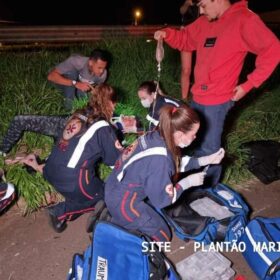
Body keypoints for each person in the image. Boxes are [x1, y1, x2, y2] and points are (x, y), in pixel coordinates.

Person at [154, 0, 280, 186]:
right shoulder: (205, 22)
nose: (200, 10)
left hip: (218, 101)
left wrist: (248, 85)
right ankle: (191, 182)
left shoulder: (244, 19)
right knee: (191, 143)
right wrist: (168, 34)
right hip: (197, 96)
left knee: (210, 150)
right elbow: (186, 39)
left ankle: (208, 189)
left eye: (203, 4)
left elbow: (273, 49)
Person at [105, 104, 225, 241]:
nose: (196, 137)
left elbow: (175, 163)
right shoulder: (161, 161)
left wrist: (207, 160)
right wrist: (187, 182)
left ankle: (117, 221)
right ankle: (121, 232)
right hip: (123, 203)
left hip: (113, 185)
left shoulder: (158, 134)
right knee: (163, 236)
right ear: (179, 134)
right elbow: (162, 200)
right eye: (193, 134)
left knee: (150, 214)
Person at [21, 84, 123, 233]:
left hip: (50, 169)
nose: (114, 107)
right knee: (107, 194)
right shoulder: (103, 127)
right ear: (110, 103)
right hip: (71, 179)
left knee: (86, 188)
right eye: (114, 103)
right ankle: (60, 211)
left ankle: (73, 202)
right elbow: (115, 163)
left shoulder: (78, 114)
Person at [179, 0, 199, 100]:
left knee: (204, 67)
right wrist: (187, 2)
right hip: (187, 33)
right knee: (186, 69)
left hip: (203, 32)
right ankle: (184, 98)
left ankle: (201, 95)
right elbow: (182, 11)